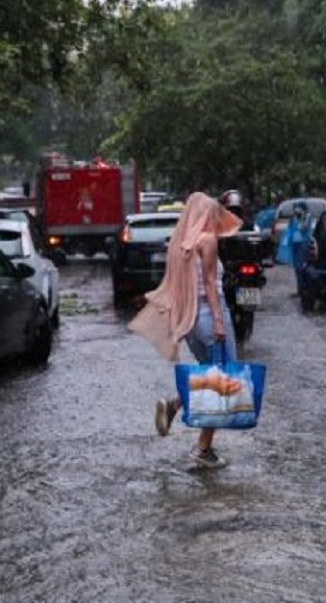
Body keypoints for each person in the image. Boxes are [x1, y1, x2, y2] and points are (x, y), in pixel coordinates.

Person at [128, 192, 243, 469]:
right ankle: (203, 449)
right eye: (214, 214)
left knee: (210, 374)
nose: (217, 219)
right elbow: (211, 286)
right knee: (223, 383)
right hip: (210, 317)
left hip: (191, 322)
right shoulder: (207, 240)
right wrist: (218, 321)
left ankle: (173, 406)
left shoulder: (181, 246)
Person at [286, 200, 313, 293]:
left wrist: (300, 217)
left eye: (299, 208)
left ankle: (303, 289)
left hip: (303, 244)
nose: (297, 210)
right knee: (296, 267)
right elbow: (290, 228)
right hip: (295, 244)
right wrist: (292, 218)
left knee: (301, 267)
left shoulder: (307, 216)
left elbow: (303, 228)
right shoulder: (294, 217)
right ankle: (299, 289)